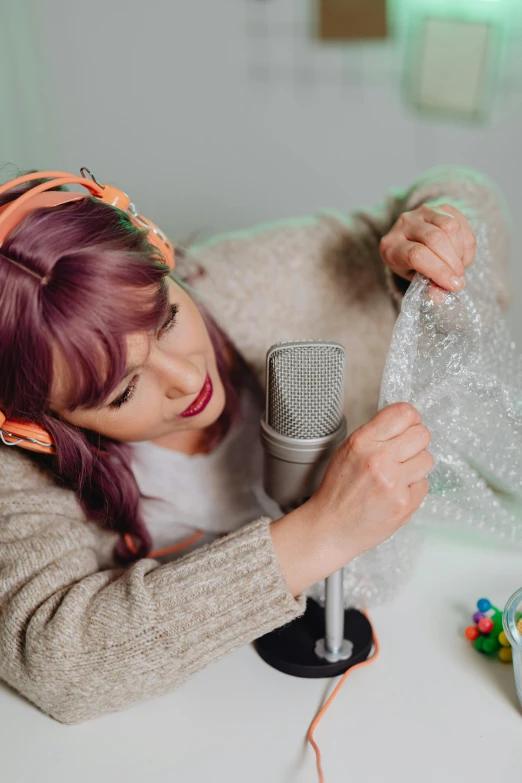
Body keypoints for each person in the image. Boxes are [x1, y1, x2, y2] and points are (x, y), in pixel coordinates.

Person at [0, 165, 512, 725]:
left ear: (159, 250)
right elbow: (59, 664)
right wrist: (321, 532)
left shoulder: (253, 279)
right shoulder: (21, 468)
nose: (188, 378)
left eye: (168, 318)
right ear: (39, 425)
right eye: (124, 392)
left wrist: (438, 236)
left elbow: (464, 193)